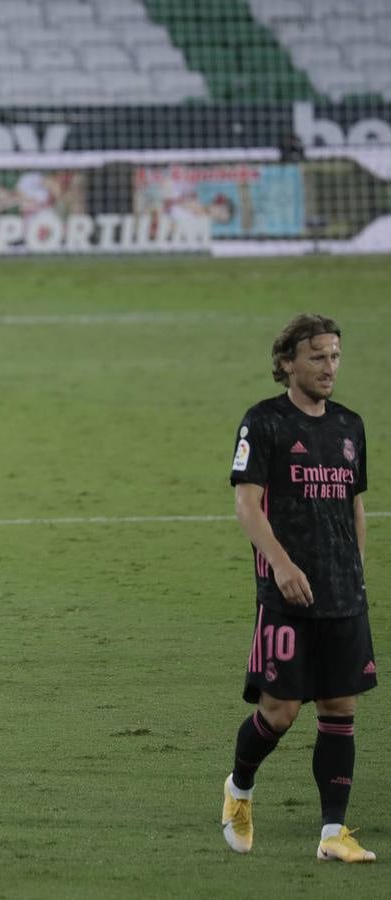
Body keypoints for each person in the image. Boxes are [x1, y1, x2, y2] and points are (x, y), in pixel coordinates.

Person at [221, 313, 376, 862]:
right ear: (287, 362)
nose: (329, 367)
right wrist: (282, 566)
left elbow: (353, 505)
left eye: (335, 356)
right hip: (285, 594)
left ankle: (333, 833)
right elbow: (246, 503)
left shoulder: (350, 426)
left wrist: (356, 567)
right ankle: (239, 789)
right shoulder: (262, 423)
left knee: (340, 709)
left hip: (342, 594)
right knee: (280, 713)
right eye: (317, 357)